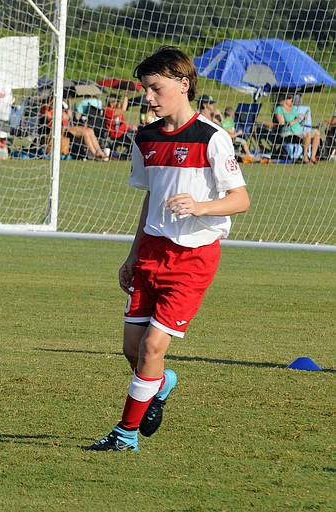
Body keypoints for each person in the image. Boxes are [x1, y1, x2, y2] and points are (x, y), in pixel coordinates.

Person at [84, 46, 249, 452]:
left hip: (193, 257)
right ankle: (159, 385)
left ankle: (125, 434)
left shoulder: (212, 137)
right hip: (150, 251)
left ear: (183, 83)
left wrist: (201, 207)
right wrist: (131, 253)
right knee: (133, 350)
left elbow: (240, 199)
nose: (150, 98)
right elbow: (149, 200)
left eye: (156, 89)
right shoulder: (146, 137)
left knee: (153, 348)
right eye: (145, 90)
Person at [40, 101, 109, 160]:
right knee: (85, 133)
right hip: (57, 129)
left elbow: (68, 117)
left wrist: (66, 108)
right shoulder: (46, 109)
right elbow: (49, 119)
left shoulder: (61, 107)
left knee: (90, 130)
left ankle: (99, 151)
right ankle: (94, 153)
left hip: (67, 126)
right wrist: (58, 114)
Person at [274, 94, 321, 164]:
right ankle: (305, 157)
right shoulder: (279, 109)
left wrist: (303, 116)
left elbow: (297, 119)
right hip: (288, 132)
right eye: (289, 98)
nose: (291, 100)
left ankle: (313, 157)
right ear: (284, 100)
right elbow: (282, 124)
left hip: (299, 131)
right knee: (307, 134)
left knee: (317, 132)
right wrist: (297, 119)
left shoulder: (293, 108)